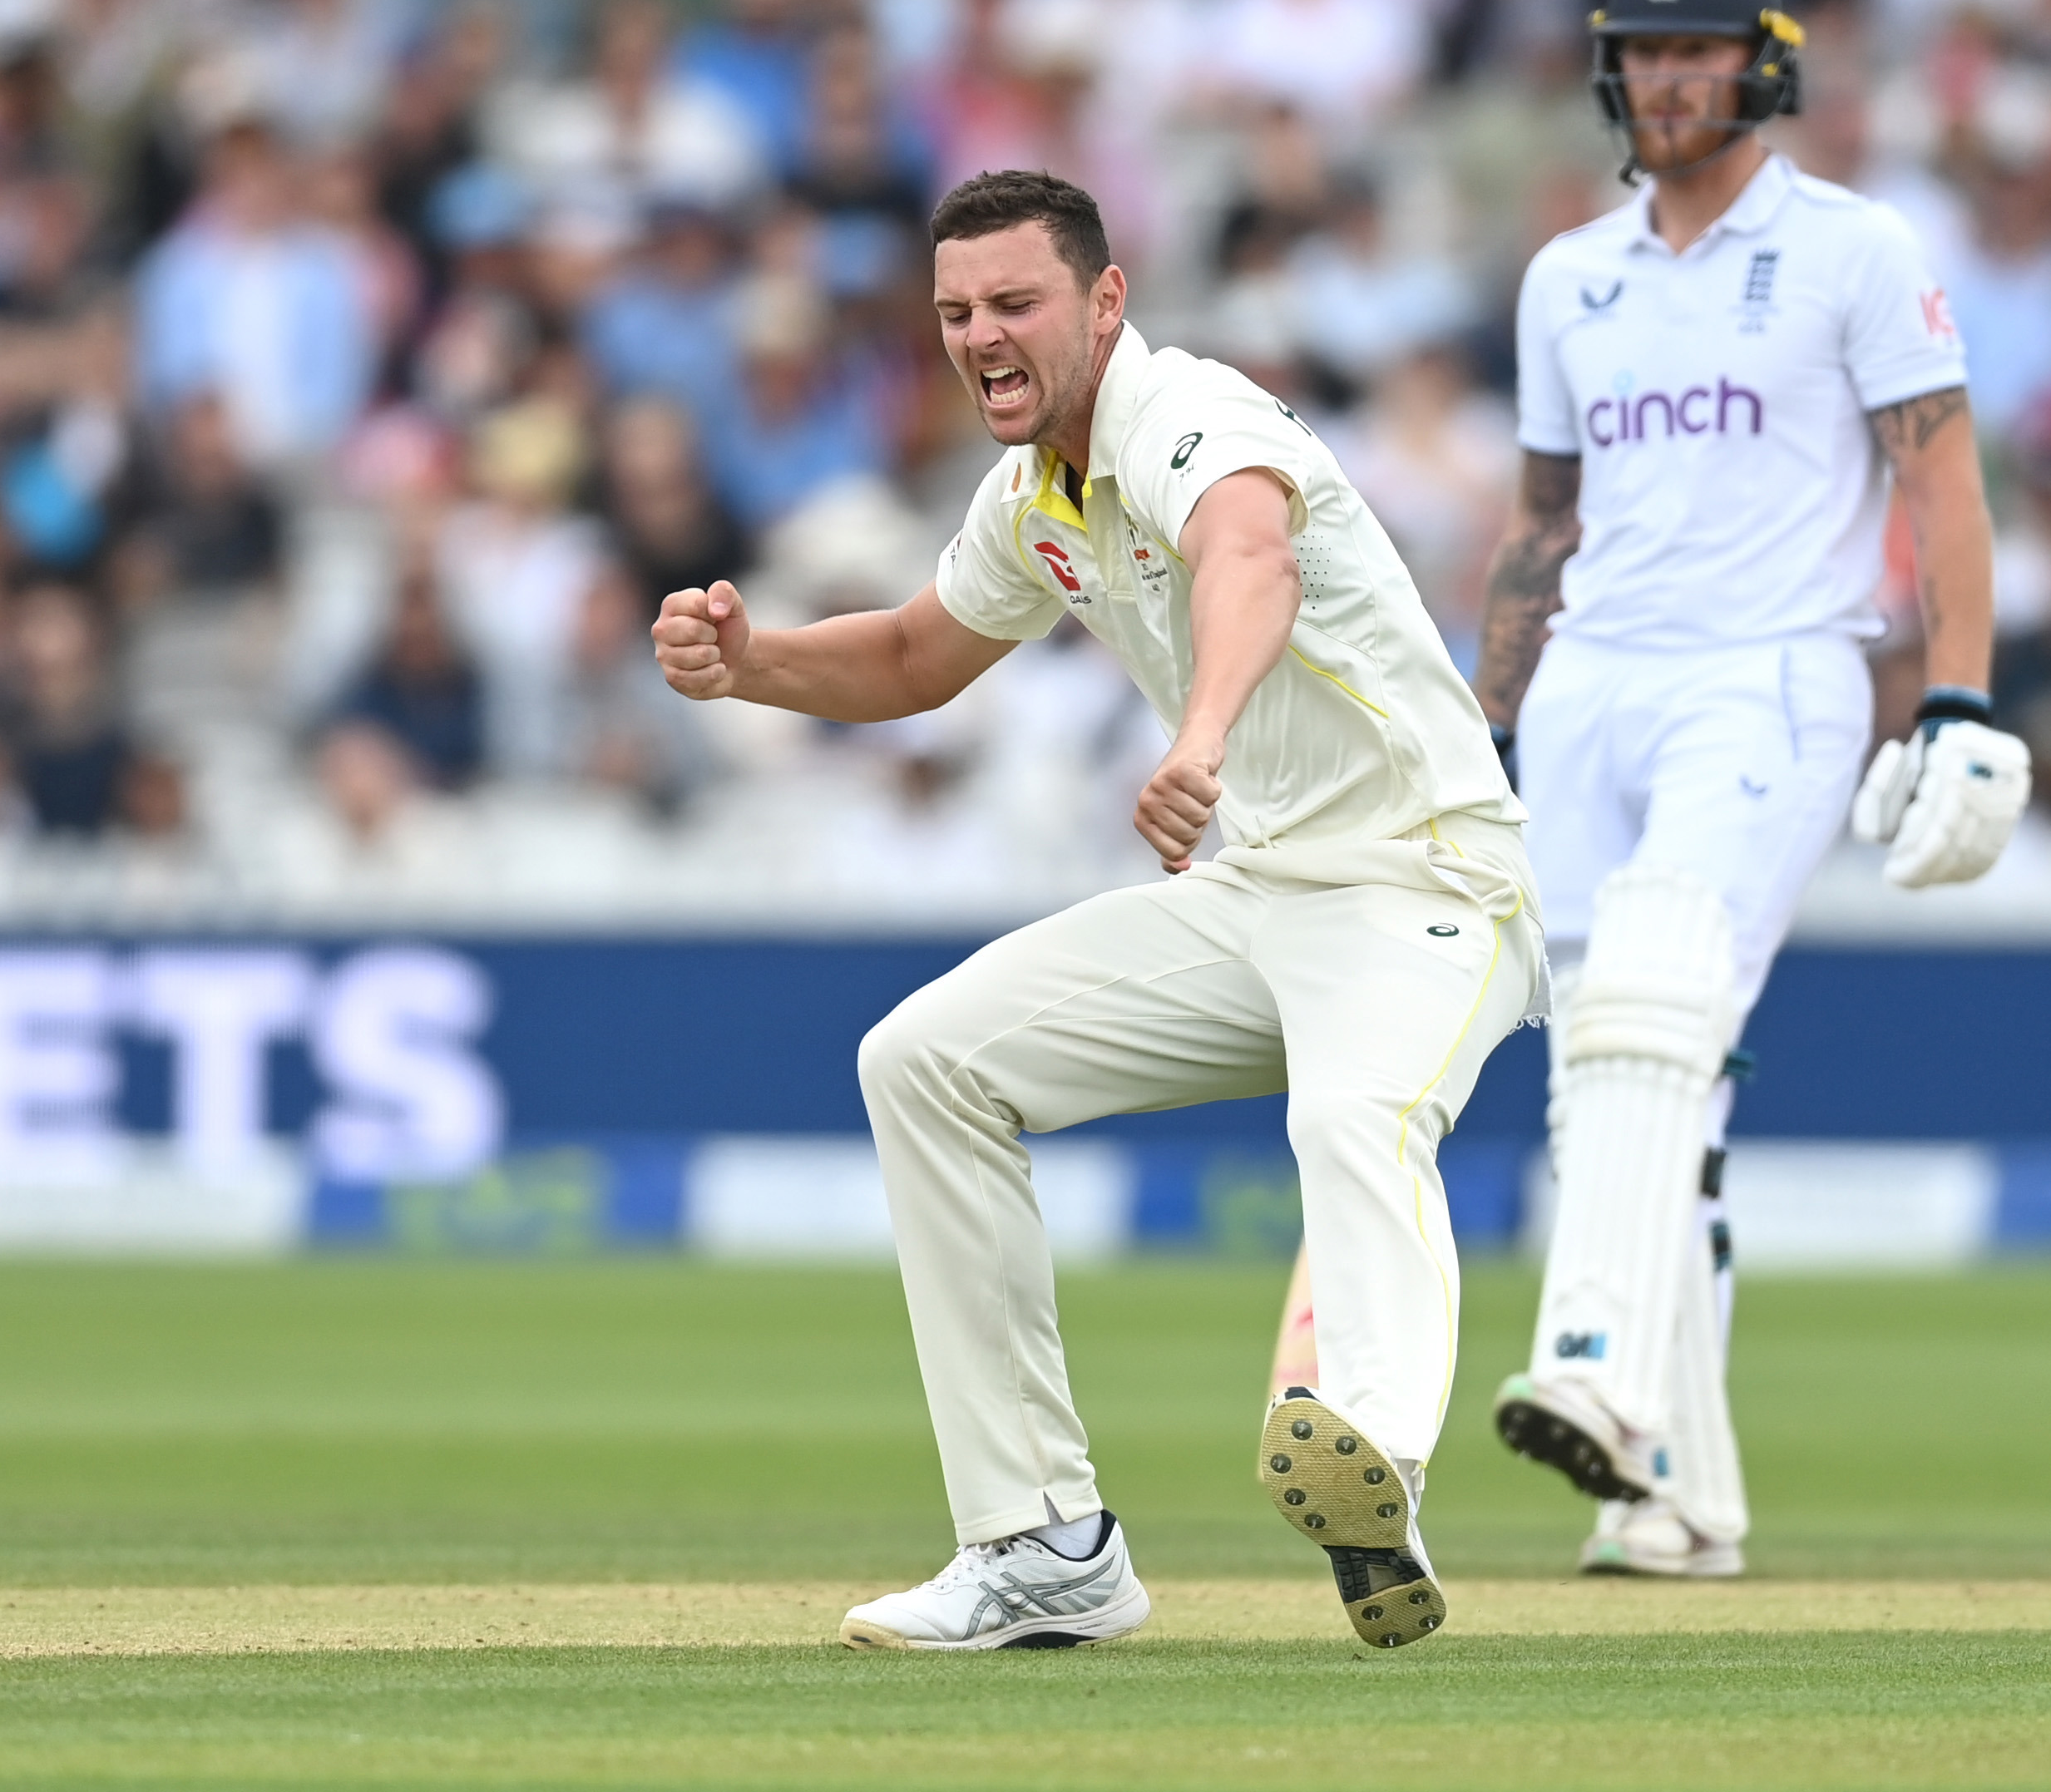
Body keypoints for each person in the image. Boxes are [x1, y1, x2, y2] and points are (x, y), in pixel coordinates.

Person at [650, 170, 1540, 1652]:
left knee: (1352, 1120)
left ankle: (1371, 1458)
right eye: (954, 313)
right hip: (1257, 894)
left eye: (1016, 303)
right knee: (923, 1062)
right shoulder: (1032, 496)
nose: (981, 336)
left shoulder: (1196, 422)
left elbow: (1246, 561)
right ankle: (1044, 1549)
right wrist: (754, 667)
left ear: (1106, 300)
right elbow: (912, 660)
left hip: (1427, 883)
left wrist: (1194, 742)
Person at [1484, 0, 2026, 1574]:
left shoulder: (1855, 251)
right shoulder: (1565, 275)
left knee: (1659, 998)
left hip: (1773, 681)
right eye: (1640, 50)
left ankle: (1597, 1378)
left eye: (1696, 48)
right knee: (1616, 1091)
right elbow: (1538, 528)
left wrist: (1958, 695)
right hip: (1591, 688)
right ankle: (1677, 1501)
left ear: (1762, 59)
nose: (1664, 76)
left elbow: (1941, 483)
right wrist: (1492, 735)